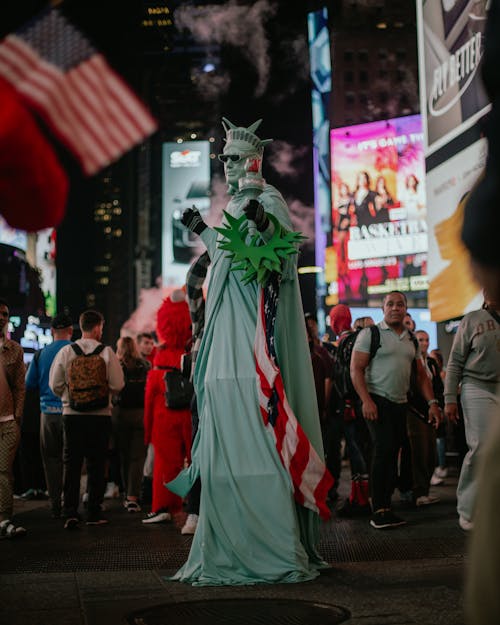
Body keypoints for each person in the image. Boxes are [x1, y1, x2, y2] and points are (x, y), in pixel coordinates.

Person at [169, 117, 330, 585]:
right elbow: (226, 254)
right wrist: (203, 227)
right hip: (223, 328)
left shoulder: (267, 199)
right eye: (226, 162)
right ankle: (228, 532)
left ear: (254, 161)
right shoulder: (238, 203)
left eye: (235, 160)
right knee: (221, 401)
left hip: (252, 329)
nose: (229, 168)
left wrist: (262, 223)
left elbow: (277, 254)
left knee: (257, 407)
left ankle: (269, 539)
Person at [350, 291, 441, 529]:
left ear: (405, 308)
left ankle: (386, 507)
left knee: (393, 455)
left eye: (400, 304)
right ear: (383, 308)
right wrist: (366, 401)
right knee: (383, 452)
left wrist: (432, 404)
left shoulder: (411, 338)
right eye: (390, 304)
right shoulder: (371, 334)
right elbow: (356, 369)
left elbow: (421, 376)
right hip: (377, 401)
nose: (395, 308)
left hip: (400, 404)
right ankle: (379, 510)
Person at [49, 309, 124, 529]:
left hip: (72, 415)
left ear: (80, 326)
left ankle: (70, 512)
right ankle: (93, 512)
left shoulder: (66, 351)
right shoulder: (107, 352)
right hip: (100, 416)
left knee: (71, 465)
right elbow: (118, 384)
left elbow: (54, 384)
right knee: (97, 465)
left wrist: (69, 396)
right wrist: (101, 394)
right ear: (98, 326)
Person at [444, 293, 500, 531]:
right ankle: (468, 509)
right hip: (476, 386)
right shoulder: (472, 319)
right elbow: (455, 361)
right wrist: (449, 399)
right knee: (481, 447)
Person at [142, 291, 193, 524]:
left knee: (166, 463)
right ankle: (196, 507)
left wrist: (147, 429)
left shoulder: (159, 357)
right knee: (197, 459)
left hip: (164, 414)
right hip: (192, 413)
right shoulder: (194, 354)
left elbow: (150, 395)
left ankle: (164, 505)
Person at [25, 313, 73, 518]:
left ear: (52, 331)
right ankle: (71, 504)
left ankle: (55, 505)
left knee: (51, 460)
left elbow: (29, 384)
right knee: (71, 460)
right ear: (71, 331)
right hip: (72, 413)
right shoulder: (75, 351)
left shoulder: (40, 354)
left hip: (47, 414)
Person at [181, 251, 211, 536]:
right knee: (199, 451)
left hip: (231, 392)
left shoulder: (240, 319)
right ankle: (195, 511)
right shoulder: (202, 318)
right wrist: (213, 250)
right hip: (202, 394)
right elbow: (192, 281)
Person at [114, 336, 150, 513]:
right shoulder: (145, 365)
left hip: (120, 413)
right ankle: (132, 497)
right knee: (138, 456)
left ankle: (125, 492)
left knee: (124, 455)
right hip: (141, 413)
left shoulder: (116, 364)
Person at [0, 298, 27, 538]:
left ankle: (4, 518)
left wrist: (17, 416)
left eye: (5, 314)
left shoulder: (15, 349)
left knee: (4, 471)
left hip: (8, 422)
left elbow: (20, 387)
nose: (1, 317)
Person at [406, 330, 442, 506]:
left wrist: (437, 406)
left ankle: (424, 491)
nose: (424, 343)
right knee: (419, 453)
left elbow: (437, 387)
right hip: (415, 412)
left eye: (427, 340)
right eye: (420, 340)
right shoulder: (410, 363)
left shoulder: (432, 363)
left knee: (431, 455)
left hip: (431, 412)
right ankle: (418, 492)